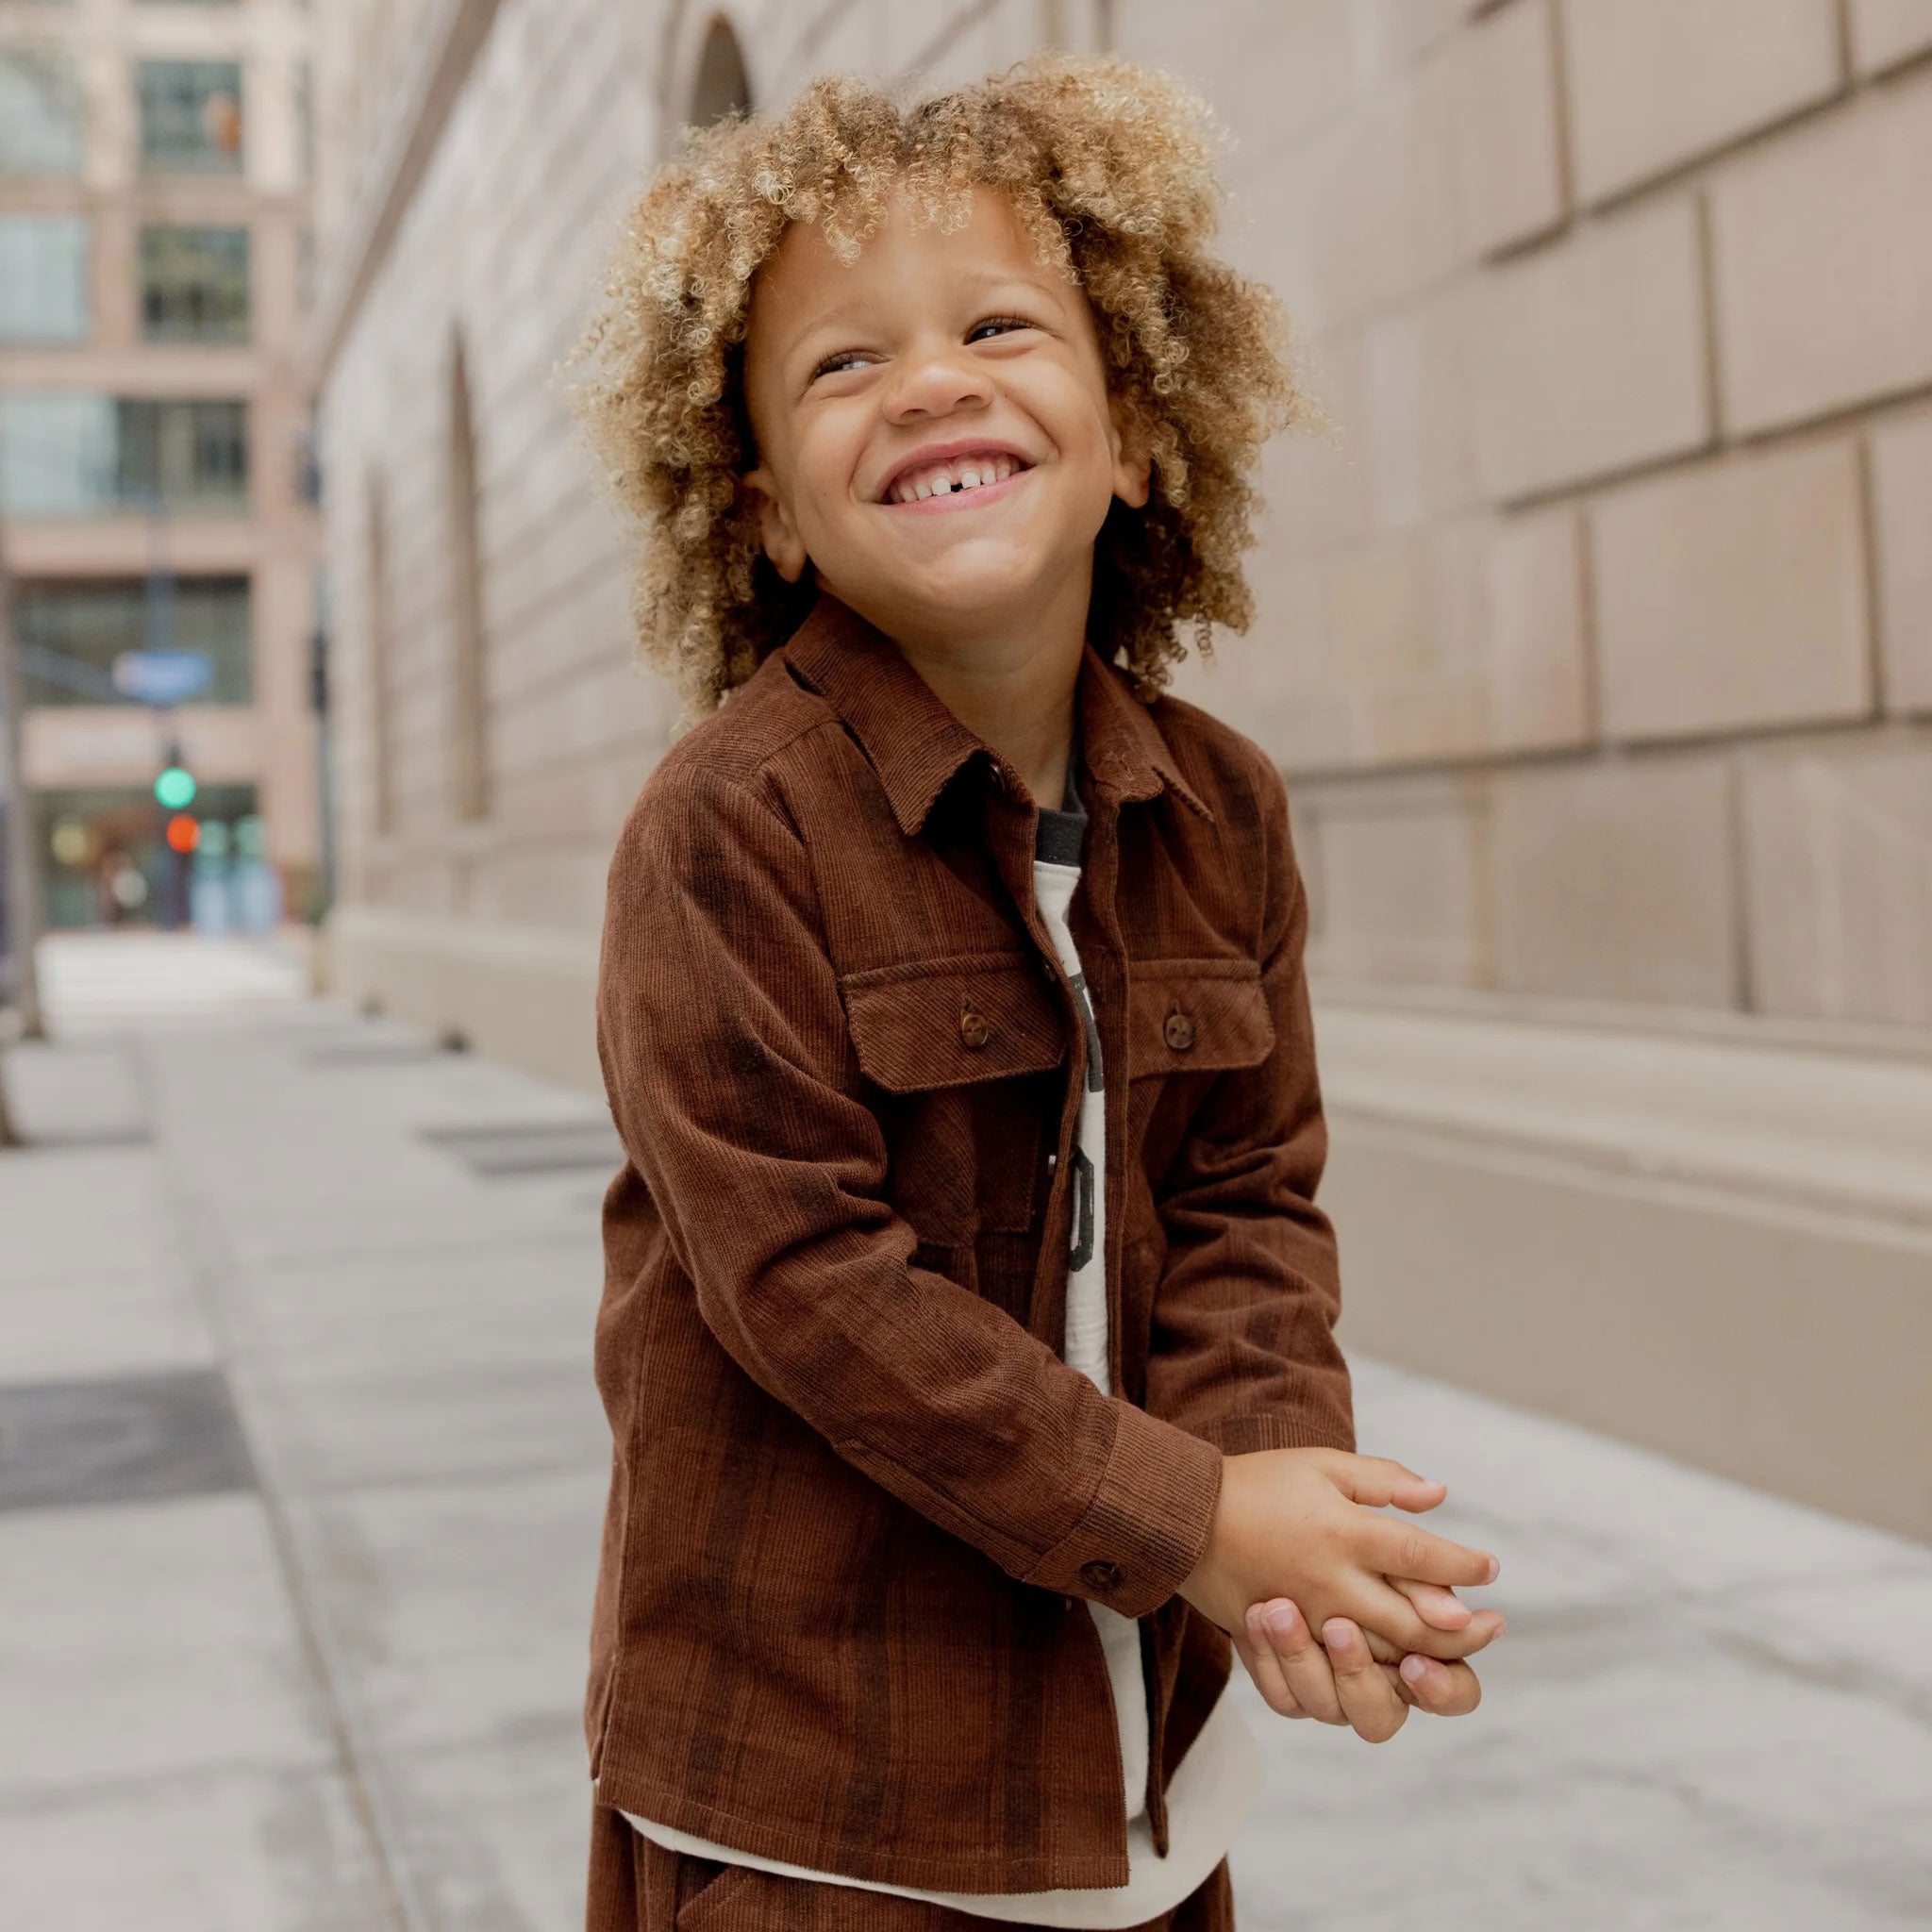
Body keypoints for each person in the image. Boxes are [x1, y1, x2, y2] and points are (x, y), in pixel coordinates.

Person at [574, 57, 1506, 1932]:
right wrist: (1198, 1523)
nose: (927, 379)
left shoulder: (1218, 807)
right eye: (841, 364)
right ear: (757, 511)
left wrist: (1284, 1523)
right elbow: (814, 1296)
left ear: (1134, 432)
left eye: (999, 324)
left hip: (1144, 1796)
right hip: (827, 1802)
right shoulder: (724, 830)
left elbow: (1245, 1198)